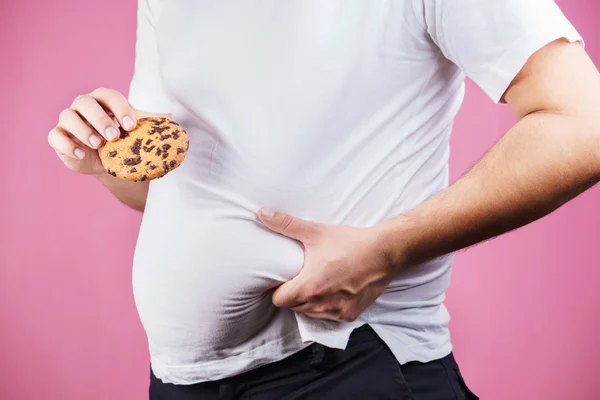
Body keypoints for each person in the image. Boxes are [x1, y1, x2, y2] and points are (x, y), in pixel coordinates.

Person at [47, 1, 599, 399]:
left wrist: (387, 250)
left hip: (342, 363)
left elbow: (586, 127)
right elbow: (168, 189)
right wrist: (99, 158)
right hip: (181, 382)